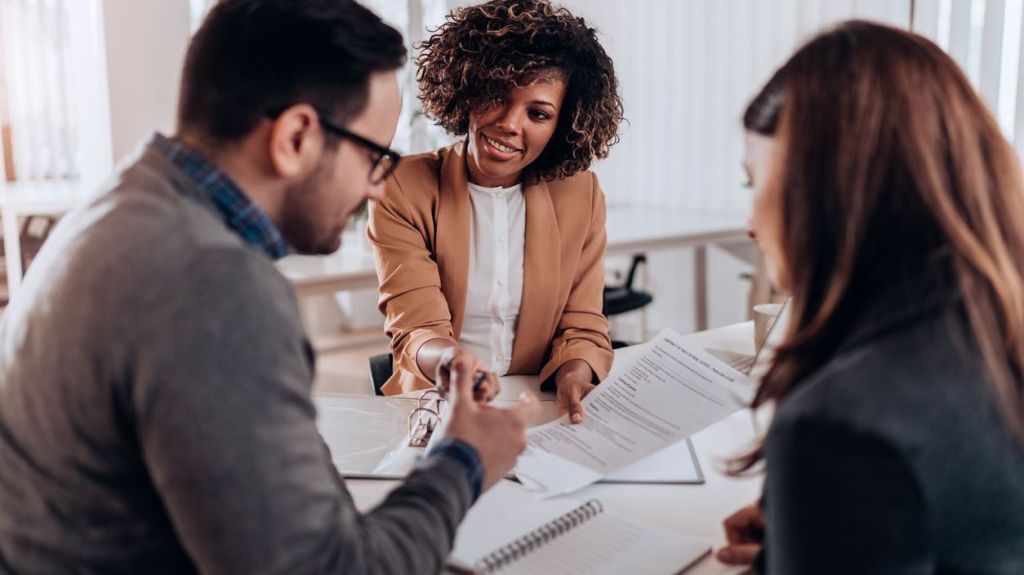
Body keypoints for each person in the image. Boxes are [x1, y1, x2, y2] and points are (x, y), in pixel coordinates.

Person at [0, 1, 539, 573]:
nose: (378, 190)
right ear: (296, 137)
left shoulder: (121, 204)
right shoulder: (212, 285)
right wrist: (463, 461)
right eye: (374, 158)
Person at [715, 21, 1024, 574]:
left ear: (826, 194)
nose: (751, 225)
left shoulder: (839, 426)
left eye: (754, 185)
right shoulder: (997, 325)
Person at [368, 0, 624, 423]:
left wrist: (577, 370)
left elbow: (582, 324)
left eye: (537, 113)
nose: (509, 123)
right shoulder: (401, 187)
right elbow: (416, 328)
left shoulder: (580, 194)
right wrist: (455, 367)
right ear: (467, 89)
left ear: (562, 126)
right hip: (439, 402)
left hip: (541, 408)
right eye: (497, 96)